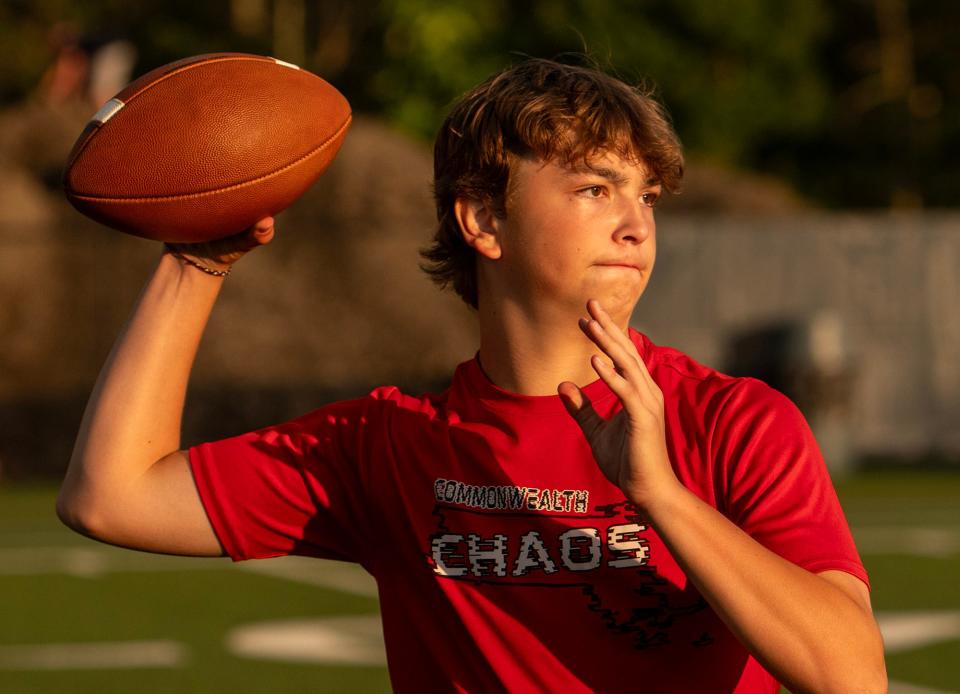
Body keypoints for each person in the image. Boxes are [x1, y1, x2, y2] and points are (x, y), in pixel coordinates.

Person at [57, 58, 887, 692]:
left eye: (648, 195)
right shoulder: (387, 444)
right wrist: (198, 263)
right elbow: (111, 494)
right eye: (597, 189)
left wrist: (660, 494)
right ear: (485, 220)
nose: (637, 224)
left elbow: (851, 674)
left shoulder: (734, 421)